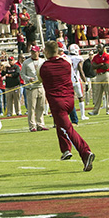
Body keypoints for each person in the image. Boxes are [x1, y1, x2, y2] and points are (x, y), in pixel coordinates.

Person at [40, 41, 94, 172]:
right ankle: (65, 149)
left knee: (67, 129)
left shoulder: (44, 67)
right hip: (70, 99)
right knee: (61, 125)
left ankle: (85, 152)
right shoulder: (66, 63)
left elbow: (42, 80)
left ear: (46, 52)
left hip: (57, 102)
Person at [21, 45, 48, 131]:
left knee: (41, 107)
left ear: (38, 52)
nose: (33, 53)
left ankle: (40, 124)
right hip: (31, 88)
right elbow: (22, 74)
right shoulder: (26, 62)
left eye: (34, 52)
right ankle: (32, 125)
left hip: (41, 86)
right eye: (32, 52)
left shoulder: (43, 61)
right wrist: (28, 79)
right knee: (31, 108)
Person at [89, 44, 109, 116]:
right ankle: (96, 110)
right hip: (98, 75)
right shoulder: (95, 57)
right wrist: (100, 65)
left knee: (108, 92)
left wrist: (98, 65)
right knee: (97, 94)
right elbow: (93, 66)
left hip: (106, 74)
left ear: (103, 48)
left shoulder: (107, 56)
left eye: (100, 48)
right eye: (98, 48)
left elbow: (106, 66)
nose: (99, 49)